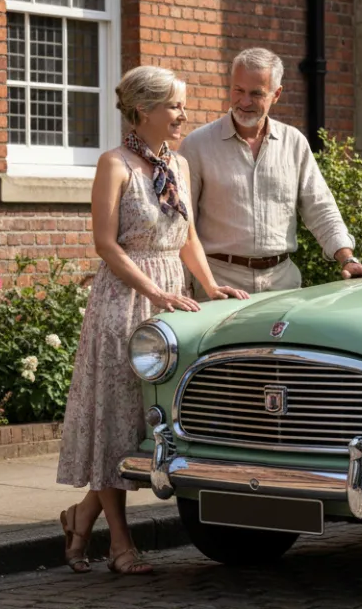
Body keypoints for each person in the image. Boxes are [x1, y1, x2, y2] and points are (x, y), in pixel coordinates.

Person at [55, 66, 248, 575]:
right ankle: (121, 544)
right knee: (114, 423)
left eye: (183, 105)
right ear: (143, 111)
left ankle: (79, 519)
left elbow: (186, 237)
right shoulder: (114, 164)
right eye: (175, 106)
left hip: (170, 303)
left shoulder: (178, 166)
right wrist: (154, 291)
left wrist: (208, 288)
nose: (184, 115)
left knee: (149, 423)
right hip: (125, 302)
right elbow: (104, 244)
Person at [178, 47, 362, 297]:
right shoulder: (196, 145)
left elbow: (320, 207)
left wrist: (347, 259)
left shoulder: (294, 142)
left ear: (276, 94)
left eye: (256, 94)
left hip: (283, 286)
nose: (244, 102)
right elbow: (182, 225)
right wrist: (187, 284)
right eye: (238, 90)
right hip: (219, 285)